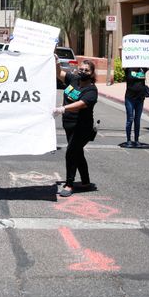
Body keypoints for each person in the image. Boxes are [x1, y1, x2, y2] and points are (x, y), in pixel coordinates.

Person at [53, 57, 98, 197]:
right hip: (69, 125)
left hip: (82, 127)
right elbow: (59, 73)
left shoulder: (91, 90)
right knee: (78, 153)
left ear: (91, 73)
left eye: (86, 70)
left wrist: (63, 108)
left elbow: (82, 104)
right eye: (81, 69)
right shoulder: (73, 80)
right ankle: (85, 182)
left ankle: (69, 184)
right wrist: (57, 63)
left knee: (71, 152)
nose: (83, 71)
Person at [121, 67, 148, 147]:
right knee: (130, 118)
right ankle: (128, 140)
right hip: (130, 98)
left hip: (140, 98)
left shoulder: (143, 69)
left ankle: (136, 140)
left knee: (137, 120)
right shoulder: (128, 69)